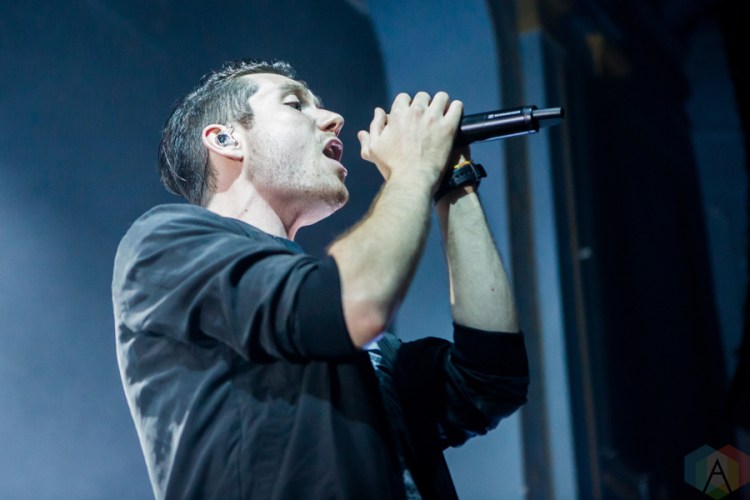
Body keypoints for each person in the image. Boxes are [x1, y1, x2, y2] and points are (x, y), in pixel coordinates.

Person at [112, 58, 529, 500]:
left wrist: (452, 180)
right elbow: (357, 300)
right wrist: (413, 168)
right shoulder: (164, 245)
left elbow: (490, 380)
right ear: (226, 139)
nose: (334, 119)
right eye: (295, 104)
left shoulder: (364, 346)